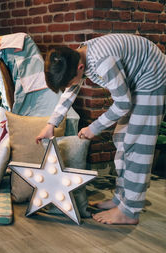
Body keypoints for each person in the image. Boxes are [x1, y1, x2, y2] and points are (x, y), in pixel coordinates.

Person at [35, 34, 166, 225]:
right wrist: (51, 124)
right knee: (121, 138)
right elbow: (70, 91)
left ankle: (130, 211)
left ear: (80, 68)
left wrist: (93, 128)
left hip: (153, 77)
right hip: (137, 79)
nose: (70, 86)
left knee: (137, 144)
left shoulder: (102, 61)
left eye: (70, 81)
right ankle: (120, 199)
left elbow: (123, 103)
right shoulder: (76, 57)